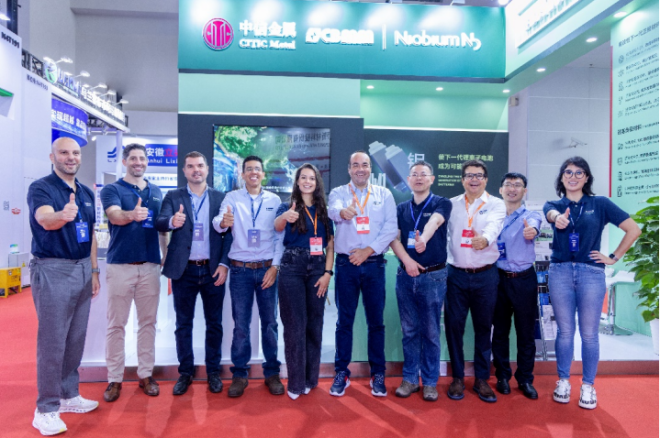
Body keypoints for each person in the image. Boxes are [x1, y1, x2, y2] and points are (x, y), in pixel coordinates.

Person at [543, 156, 640, 410]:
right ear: (562, 177)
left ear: (586, 177)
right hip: (560, 272)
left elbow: (633, 229)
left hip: (591, 273)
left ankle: (588, 385)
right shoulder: (554, 204)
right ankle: (563, 381)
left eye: (579, 172)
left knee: (589, 333)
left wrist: (613, 257)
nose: (573, 177)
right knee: (565, 331)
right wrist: (557, 218)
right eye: (568, 172)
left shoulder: (600, 204)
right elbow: (551, 214)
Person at [27, 137, 100, 436]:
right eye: (64, 153)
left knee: (75, 338)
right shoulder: (41, 188)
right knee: (53, 341)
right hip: (53, 269)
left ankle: (69, 394)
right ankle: (45, 408)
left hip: (82, 268)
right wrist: (61, 216)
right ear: (52, 157)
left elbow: (90, 234)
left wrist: (93, 270)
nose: (71, 157)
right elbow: (44, 219)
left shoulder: (85, 192)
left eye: (75, 153)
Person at [155, 151, 233, 395]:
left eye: (200, 165)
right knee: (183, 324)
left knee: (214, 324)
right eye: (190, 166)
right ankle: (185, 372)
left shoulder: (220, 197)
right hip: (184, 270)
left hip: (212, 270)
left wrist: (224, 264)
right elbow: (160, 221)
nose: (196, 170)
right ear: (184, 171)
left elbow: (229, 234)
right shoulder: (173, 196)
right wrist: (172, 222)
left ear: (207, 169)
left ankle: (213, 372)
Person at [212, 155, 284, 398]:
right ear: (242, 174)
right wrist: (223, 222)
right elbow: (218, 223)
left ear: (263, 174)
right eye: (249, 169)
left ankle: (272, 373)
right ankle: (240, 374)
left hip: (267, 269)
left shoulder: (274, 200)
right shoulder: (232, 198)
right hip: (240, 270)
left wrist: (275, 266)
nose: (253, 172)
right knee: (241, 325)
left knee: (270, 323)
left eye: (257, 169)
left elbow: (279, 237)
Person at [327, 151, 398, 397]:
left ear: (370, 169)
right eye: (355, 165)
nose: (360, 169)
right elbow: (333, 210)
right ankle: (341, 372)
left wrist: (368, 250)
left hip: (374, 264)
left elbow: (391, 228)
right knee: (344, 322)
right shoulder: (339, 193)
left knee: (376, 322)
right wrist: (342, 213)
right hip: (346, 264)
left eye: (364, 165)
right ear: (349, 169)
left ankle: (378, 373)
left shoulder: (384, 194)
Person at [100, 143, 166, 402]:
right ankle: (114, 379)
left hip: (150, 267)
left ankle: (146, 375)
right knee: (116, 324)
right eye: (134, 158)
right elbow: (115, 216)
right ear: (125, 161)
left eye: (142, 158)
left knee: (148, 324)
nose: (139, 162)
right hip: (120, 266)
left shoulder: (156, 191)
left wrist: (165, 254)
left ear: (147, 162)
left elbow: (161, 228)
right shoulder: (112, 189)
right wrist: (132, 214)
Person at [389, 161, 452, 402]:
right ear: (408, 179)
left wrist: (423, 239)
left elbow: (435, 221)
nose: (418, 178)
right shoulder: (401, 208)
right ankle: (410, 379)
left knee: (431, 332)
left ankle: (430, 382)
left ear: (431, 179)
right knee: (409, 331)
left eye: (423, 174)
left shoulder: (441, 203)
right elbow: (393, 238)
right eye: (414, 174)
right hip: (406, 276)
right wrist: (407, 261)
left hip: (433, 277)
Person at [445, 159, 505, 403]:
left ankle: (481, 378)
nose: (474, 180)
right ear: (462, 180)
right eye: (469, 175)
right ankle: (457, 377)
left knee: (483, 328)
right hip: (456, 275)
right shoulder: (450, 205)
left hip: (486, 275)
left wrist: (486, 239)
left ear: (486, 179)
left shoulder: (496, 204)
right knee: (454, 327)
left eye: (479, 175)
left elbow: (494, 226)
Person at [274, 163, 335, 400]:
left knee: (314, 325)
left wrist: (327, 274)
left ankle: (311, 379)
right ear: (297, 181)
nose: (307, 181)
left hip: (318, 269)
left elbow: (330, 246)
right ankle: (296, 383)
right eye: (303, 177)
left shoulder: (323, 211)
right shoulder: (287, 205)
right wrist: (285, 217)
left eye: (311, 178)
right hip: (292, 268)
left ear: (317, 182)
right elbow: (276, 227)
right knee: (294, 326)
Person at [491, 172, 543, 400]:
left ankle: (525, 379)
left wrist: (532, 231)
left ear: (524, 191)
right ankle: (502, 376)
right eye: (508, 185)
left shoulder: (531, 215)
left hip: (524, 279)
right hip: (497, 278)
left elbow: (535, 227)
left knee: (526, 333)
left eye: (517, 185)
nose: (512, 189)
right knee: (500, 331)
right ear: (500, 190)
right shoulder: (492, 216)